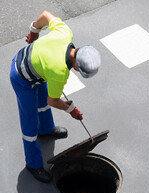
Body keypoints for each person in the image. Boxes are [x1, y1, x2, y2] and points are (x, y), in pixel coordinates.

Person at [10, 11, 101, 183]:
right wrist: (71, 109)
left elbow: (44, 15)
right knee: (29, 121)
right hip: (21, 77)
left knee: (43, 105)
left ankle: (46, 130)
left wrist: (34, 31)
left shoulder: (65, 32)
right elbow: (52, 101)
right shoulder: (59, 72)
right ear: (77, 64)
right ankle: (33, 164)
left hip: (38, 68)